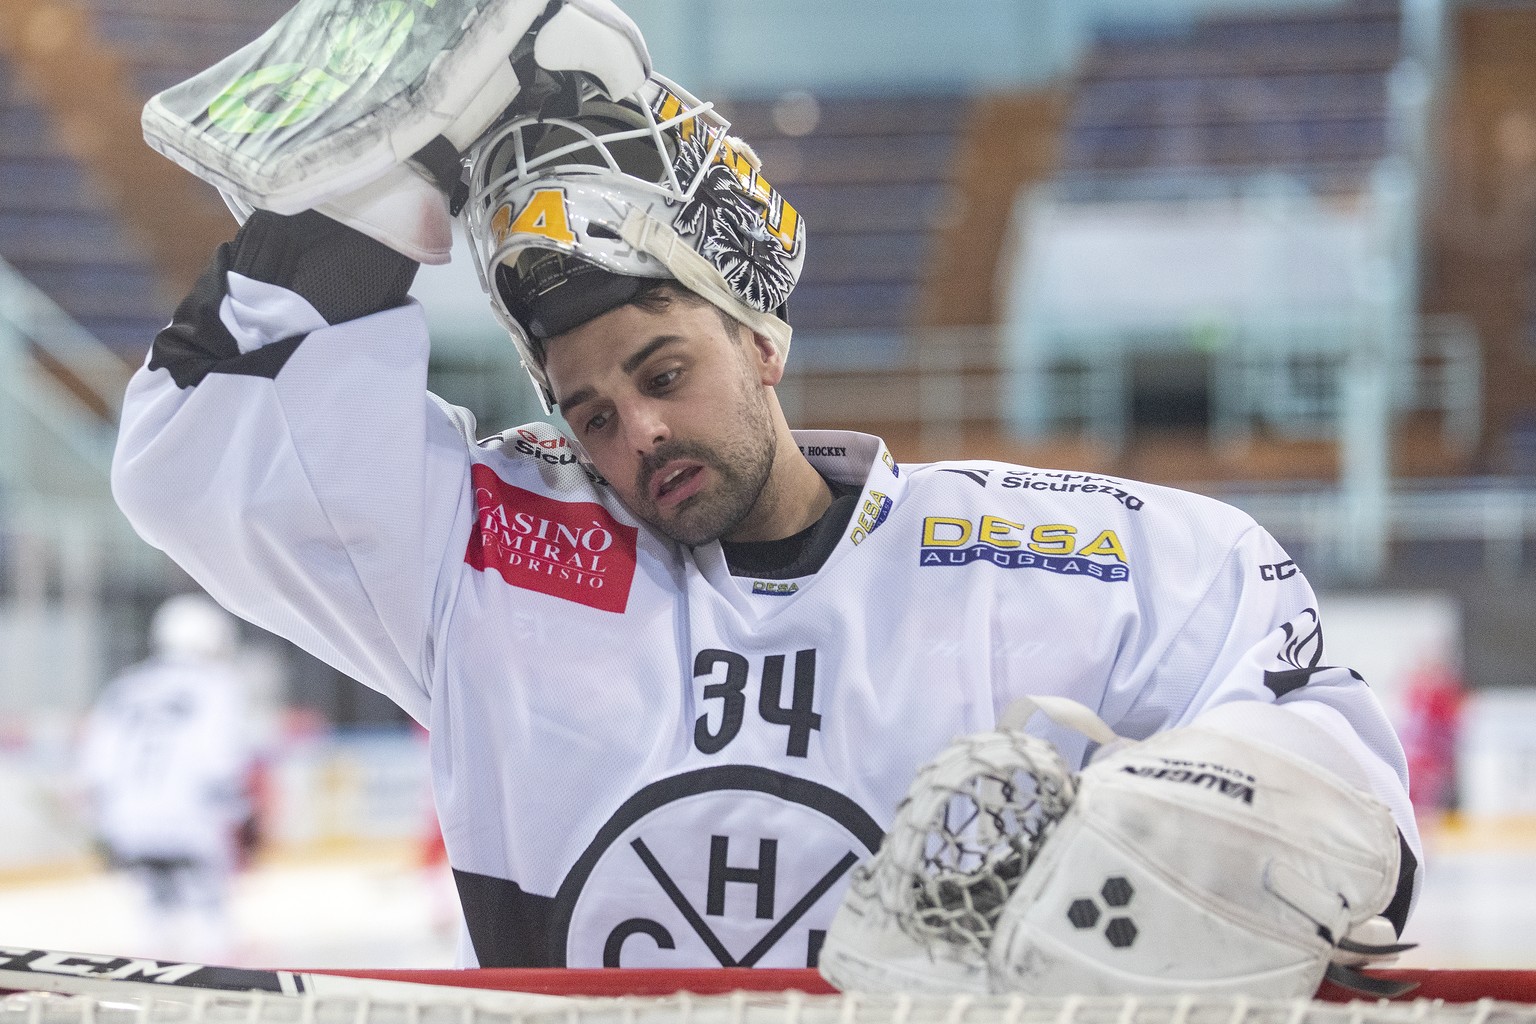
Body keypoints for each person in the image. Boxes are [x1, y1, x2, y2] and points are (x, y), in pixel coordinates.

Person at [111, 23, 1420, 974]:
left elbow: (1336, 806)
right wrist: (382, 199)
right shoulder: (488, 556)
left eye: (664, 370)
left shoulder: (1071, 561)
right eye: (591, 412)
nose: (641, 433)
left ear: (763, 341)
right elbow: (201, 460)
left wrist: (1162, 846)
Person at [77, 593, 259, 963]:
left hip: (126, 820)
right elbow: (222, 760)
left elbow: (95, 765)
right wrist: (244, 815)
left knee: (153, 916)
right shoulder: (217, 684)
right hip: (192, 818)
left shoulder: (124, 685)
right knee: (212, 920)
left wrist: (100, 825)